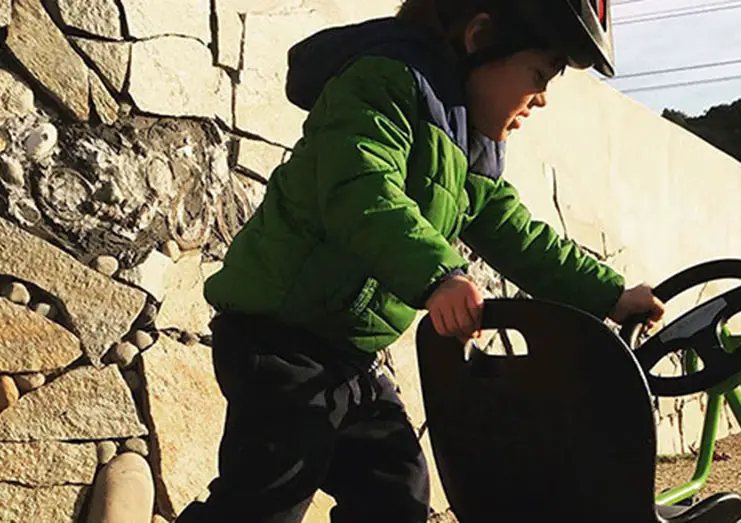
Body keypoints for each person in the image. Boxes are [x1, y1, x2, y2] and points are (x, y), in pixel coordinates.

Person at [176, 0, 666, 521]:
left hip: (348, 357)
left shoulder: (468, 150)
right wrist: (439, 277)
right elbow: (360, 191)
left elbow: (519, 237)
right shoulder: (381, 83)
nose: (541, 99)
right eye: (539, 74)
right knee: (268, 493)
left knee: (397, 492)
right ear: (479, 37)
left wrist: (610, 295)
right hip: (278, 340)